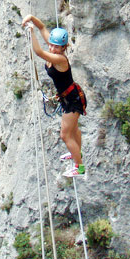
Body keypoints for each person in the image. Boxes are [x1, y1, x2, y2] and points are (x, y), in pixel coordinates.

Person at [22, 14, 86, 177]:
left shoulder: (59, 59)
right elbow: (43, 27)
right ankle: (76, 153)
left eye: (56, 47)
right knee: (74, 130)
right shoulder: (54, 48)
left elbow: (38, 51)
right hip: (69, 97)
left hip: (72, 100)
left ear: (63, 48)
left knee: (65, 135)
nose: (52, 48)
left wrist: (32, 33)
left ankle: (80, 168)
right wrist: (32, 18)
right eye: (51, 45)